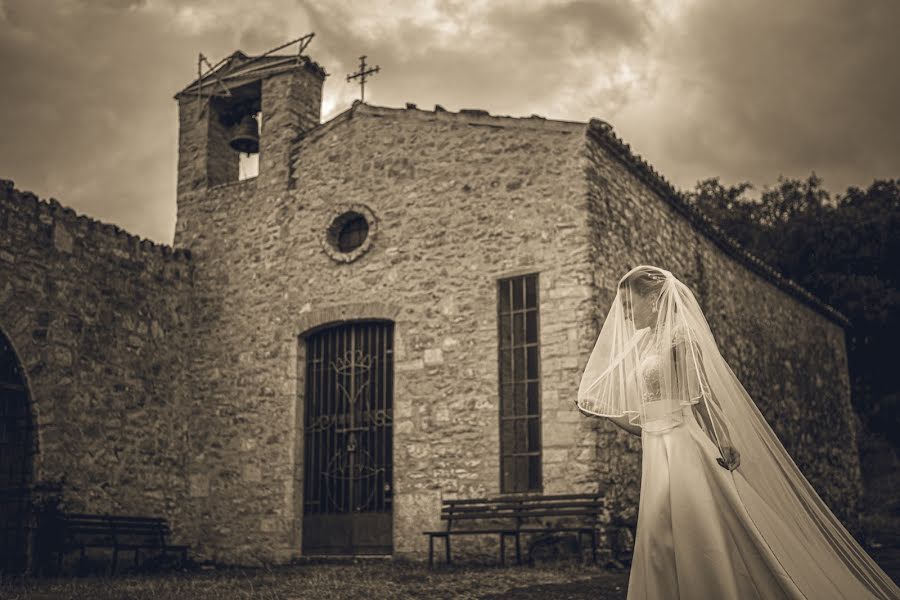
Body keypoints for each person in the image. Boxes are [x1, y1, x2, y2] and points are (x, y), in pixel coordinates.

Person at [575, 265, 900, 600]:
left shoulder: (680, 338)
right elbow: (647, 422)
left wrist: (723, 438)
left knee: (696, 531)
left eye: (630, 305)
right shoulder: (644, 345)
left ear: (654, 300)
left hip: (683, 447)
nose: (626, 314)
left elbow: (702, 398)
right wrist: (604, 415)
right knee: (659, 534)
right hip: (657, 450)